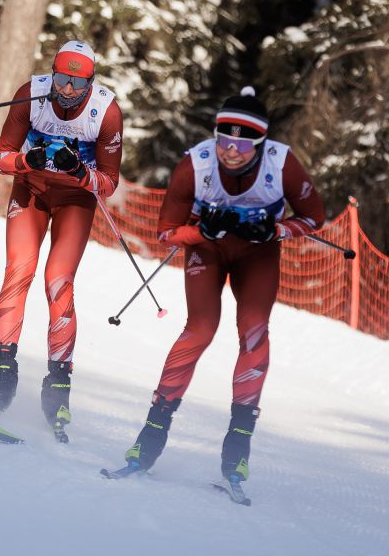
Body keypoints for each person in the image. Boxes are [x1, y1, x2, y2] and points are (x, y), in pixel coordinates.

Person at [121, 87, 325, 490]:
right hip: (208, 250)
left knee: (254, 331)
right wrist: (203, 231)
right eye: (223, 141)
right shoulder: (195, 164)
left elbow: (314, 218)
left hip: (257, 253)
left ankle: (238, 449)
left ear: (260, 143)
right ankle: (150, 436)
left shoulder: (282, 163)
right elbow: (165, 232)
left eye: (243, 144)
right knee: (199, 330)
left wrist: (274, 229)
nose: (231, 151)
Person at [0, 41, 124, 442]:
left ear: (90, 83)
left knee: (58, 281)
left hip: (75, 200)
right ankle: (1, 374)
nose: (67, 89)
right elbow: (1, 156)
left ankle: (58, 387)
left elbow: (109, 182)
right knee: (18, 270)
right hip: (30, 190)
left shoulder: (106, 111)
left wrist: (80, 171)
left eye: (77, 83)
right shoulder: (31, 94)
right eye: (61, 79)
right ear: (52, 73)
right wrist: (25, 161)